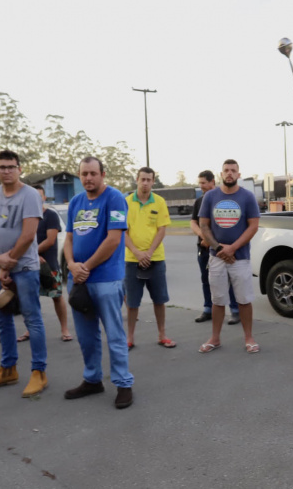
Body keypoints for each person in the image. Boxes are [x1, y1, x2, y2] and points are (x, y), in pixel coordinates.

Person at [63, 156, 134, 409]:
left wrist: (86, 267)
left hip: (105, 279)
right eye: (84, 174)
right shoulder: (75, 202)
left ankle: (124, 383)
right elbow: (69, 238)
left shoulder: (114, 198)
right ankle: (92, 379)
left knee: (114, 334)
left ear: (103, 174)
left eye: (93, 173)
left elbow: (114, 239)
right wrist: (71, 265)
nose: (88, 178)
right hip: (79, 281)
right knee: (86, 335)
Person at [0, 150, 48, 398]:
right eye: (1, 167)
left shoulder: (29, 195)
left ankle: (39, 372)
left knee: (32, 319)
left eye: (11, 166)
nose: (6, 171)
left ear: (19, 169)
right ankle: (8, 369)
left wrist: (7, 265)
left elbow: (28, 235)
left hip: (24, 268)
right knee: (2, 319)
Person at [197, 159, 261, 354]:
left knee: (243, 299)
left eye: (233, 170)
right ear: (221, 174)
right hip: (216, 258)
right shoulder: (210, 197)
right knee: (217, 300)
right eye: (226, 170)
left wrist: (233, 248)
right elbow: (204, 225)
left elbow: (253, 226)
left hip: (240, 257)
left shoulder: (247, 197)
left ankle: (249, 338)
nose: (230, 173)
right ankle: (215, 338)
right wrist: (219, 248)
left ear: (239, 174)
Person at [124, 167, 175, 349]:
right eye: (142, 179)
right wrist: (137, 253)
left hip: (156, 258)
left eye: (149, 180)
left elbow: (162, 229)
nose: (145, 183)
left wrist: (149, 252)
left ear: (153, 182)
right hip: (131, 259)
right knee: (132, 302)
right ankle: (129, 338)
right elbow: (123, 232)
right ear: (137, 180)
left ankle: (162, 334)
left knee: (159, 300)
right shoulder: (126, 202)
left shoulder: (159, 202)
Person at [16, 184, 73, 343]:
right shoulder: (23, 217)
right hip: (28, 266)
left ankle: (64, 329)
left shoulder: (51, 216)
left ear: (44, 197)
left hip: (49, 265)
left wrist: (33, 253)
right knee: (30, 300)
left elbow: (50, 240)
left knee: (56, 297)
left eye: (38, 195)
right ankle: (30, 330)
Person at [191, 170, 240, 324]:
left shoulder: (221, 199)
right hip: (204, 249)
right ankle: (208, 309)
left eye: (204, 183)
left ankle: (235, 311)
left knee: (230, 280)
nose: (201, 186)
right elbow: (194, 222)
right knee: (206, 280)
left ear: (213, 182)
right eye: (200, 183)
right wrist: (203, 236)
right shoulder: (199, 201)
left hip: (222, 249)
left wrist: (215, 243)